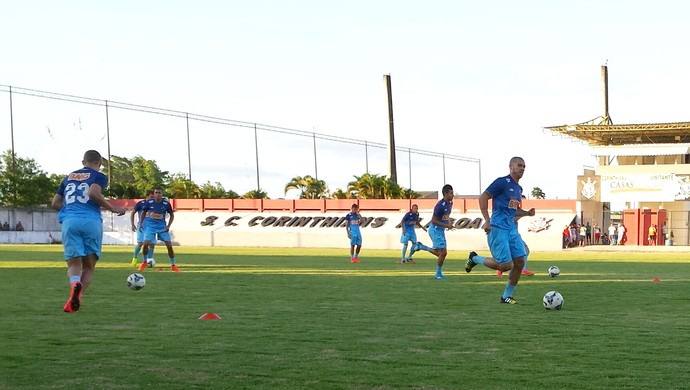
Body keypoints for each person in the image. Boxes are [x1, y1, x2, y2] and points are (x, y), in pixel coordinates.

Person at [51, 150, 125, 313]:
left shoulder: (68, 177)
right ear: (99, 163)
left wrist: (69, 211)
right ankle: (75, 298)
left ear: (83, 161)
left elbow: (55, 203)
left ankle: (75, 283)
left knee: (74, 263)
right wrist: (112, 208)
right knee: (89, 266)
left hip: (70, 222)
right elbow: (93, 193)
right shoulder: (98, 176)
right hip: (91, 222)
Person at [465, 157, 535, 304]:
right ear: (511, 166)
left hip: (511, 229)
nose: (522, 168)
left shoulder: (519, 189)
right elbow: (483, 197)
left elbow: (514, 211)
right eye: (519, 165)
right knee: (506, 265)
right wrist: (487, 220)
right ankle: (475, 259)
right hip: (498, 227)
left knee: (520, 262)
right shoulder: (502, 182)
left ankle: (506, 296)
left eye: (524, 166)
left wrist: (527, 213)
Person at [412, 184, 455, 280]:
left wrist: (448, 223)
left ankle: (421, 247)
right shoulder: (439, 206)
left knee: (441, 253)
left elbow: (445, 217)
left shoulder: (450, 203)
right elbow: (434, 220)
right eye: (451, 193)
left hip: (440, 230)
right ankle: (438, 274)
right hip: (435, 229)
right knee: (443, 253)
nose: (453, 195)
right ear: (445, 193)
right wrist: (446, 225)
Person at [138, 187, 179, 272]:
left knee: (169, 246)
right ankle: (144, 262)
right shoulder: (149, 203)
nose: (157, 194)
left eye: (159, 193)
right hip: (150, 227)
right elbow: (143, 213)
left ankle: (173, 265)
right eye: (156, 193)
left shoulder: (166, 204)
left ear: (162, 194)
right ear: (154, 194)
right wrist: (141, 224)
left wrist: (168, 226)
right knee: (145, 244)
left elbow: (171, 215)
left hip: (162, 227)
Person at [130, 189, 155, 266]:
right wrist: (132, 224)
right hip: (142, 226)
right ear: (147, 195)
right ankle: (135, 258)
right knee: (140, 243)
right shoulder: (141, 203)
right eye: (152, 196)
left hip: (151, 227)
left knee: (152, 244)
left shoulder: (155, 204)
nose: (153, 198)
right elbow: (133, 213)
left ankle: (149, 260)